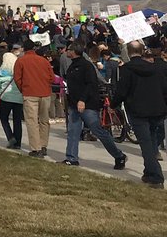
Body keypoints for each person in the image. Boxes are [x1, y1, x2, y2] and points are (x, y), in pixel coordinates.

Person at [61, 41, 127, 169]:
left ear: (74, 51)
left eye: (68, 50)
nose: (66, 52)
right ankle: (71, 158)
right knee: (73, 132)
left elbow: (91, 84)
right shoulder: (72, 66)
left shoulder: (86, 66)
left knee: (98, 130)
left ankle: (119, 155)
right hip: (74, 104)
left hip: (87, 105)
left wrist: (82, 100)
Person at [113, 41, 167, 188]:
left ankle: (156, 176)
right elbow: (164, 88)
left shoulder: (127, 69)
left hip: (138, 110)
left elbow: (122, 91)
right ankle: (149, 171)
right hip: (156, 109)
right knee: (151, 140)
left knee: (146, 144)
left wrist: (113, 104)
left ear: (128, 52)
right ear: (142, 51)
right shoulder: (154, 68)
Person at [14, 42, 54, 158]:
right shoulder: (43, 61)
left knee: (32, 121)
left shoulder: (21, 61)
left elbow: (17, 78)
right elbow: (52, 77)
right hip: (45, 93)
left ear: (23, 49)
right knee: (44, 120)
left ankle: (36, 148)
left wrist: (23, 89)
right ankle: (43, 145)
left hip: (30, 93)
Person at [0, 58, 24, 149]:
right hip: (19, 99)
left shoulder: (1, 73)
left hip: (6, 98)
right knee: (17, 121)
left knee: (4, 119)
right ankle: (18, 143)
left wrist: (0, 92)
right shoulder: (19, 72)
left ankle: (10, 137)